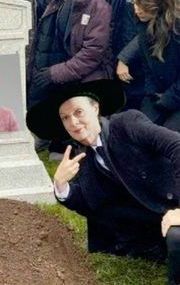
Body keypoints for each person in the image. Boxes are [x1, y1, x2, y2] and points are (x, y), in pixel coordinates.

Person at [26, 79, 180, 285]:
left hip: (175, 200)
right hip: (153, 214)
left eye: (78, 112)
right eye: (65, 118)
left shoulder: (127, 123)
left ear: (95, 108)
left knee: (176, 238)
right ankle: (152, 245)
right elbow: (92, 204)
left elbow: (177, 146)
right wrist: (61, 184)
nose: (73, 122)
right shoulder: (86, 157)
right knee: (106, 209)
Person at [27, 0, 113, 160]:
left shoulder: (96, 5)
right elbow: (43, 41)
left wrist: (55, 73)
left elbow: (92, 54)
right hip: (61, 70)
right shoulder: (55, 2)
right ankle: (51, 137)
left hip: (89, 75)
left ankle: (83, 147)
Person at [117, 0, 180, 132]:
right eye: (134, 4)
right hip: (158, 93)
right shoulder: (144, 27)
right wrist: (153, 94)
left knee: (167, 137)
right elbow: (148, 66)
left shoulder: (177, 29)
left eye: (142, 5)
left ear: (158, 5)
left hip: (174, 94)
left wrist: (167, 99)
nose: (137, 10)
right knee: (140, 132)